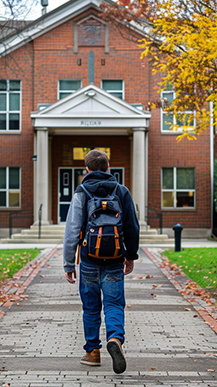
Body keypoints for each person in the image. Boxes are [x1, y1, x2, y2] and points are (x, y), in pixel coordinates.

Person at [63, 149, 139, 374]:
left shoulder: (81, 192)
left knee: (91, 307)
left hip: (88, 260)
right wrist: (130, 256)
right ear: (108, 168)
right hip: (115, 259)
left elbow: (72, 230)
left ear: (86, 169)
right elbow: (132, 227)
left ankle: (92, 353)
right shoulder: (121, 191)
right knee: (114, 304)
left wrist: (69, 264)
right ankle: (115, 339)